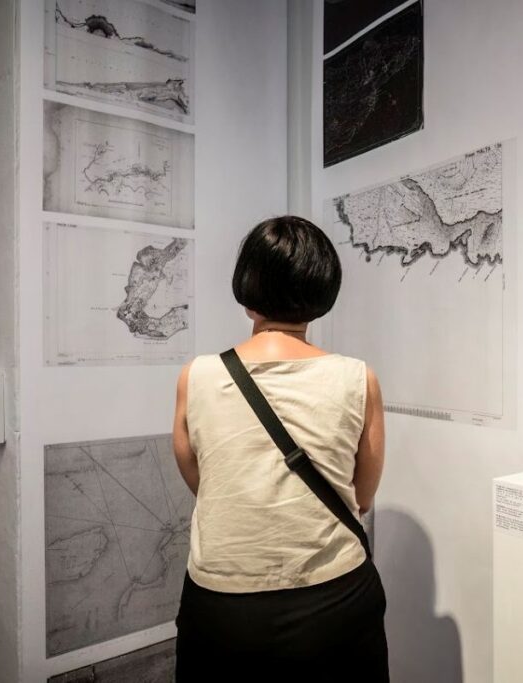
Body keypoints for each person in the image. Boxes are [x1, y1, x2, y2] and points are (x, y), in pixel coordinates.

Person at [172, 215, 388, 681]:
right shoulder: (358, 378)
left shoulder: (197, 376)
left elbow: (202, 480)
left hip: (223, 604)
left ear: (247, 288)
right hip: (334, 596)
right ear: (323, 289)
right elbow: (362, 495)